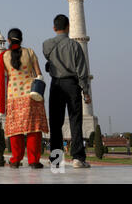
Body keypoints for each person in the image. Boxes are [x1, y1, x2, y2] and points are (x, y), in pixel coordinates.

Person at [43, 14, 92, 168]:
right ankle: (78, 158)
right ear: (68, 27)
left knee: (55, 123)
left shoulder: (47, 44)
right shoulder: (75, 46)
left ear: (54, 28)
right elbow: (82, 71)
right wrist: (86, 92)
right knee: (75, 120)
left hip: (56, 84)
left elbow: (48, 60)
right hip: (72, 84)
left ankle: (56, 161)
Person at [0, 28, 49, 169]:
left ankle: (15, 160)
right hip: (31, 95)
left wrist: (2, 105)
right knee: (33, 129)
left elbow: (2, 81)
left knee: (16, 130)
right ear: (21, 39)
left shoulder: (3, 56)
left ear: (8, 40)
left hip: (13, 96)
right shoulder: (29, 52)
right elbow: (39, 74)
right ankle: (33, 160)